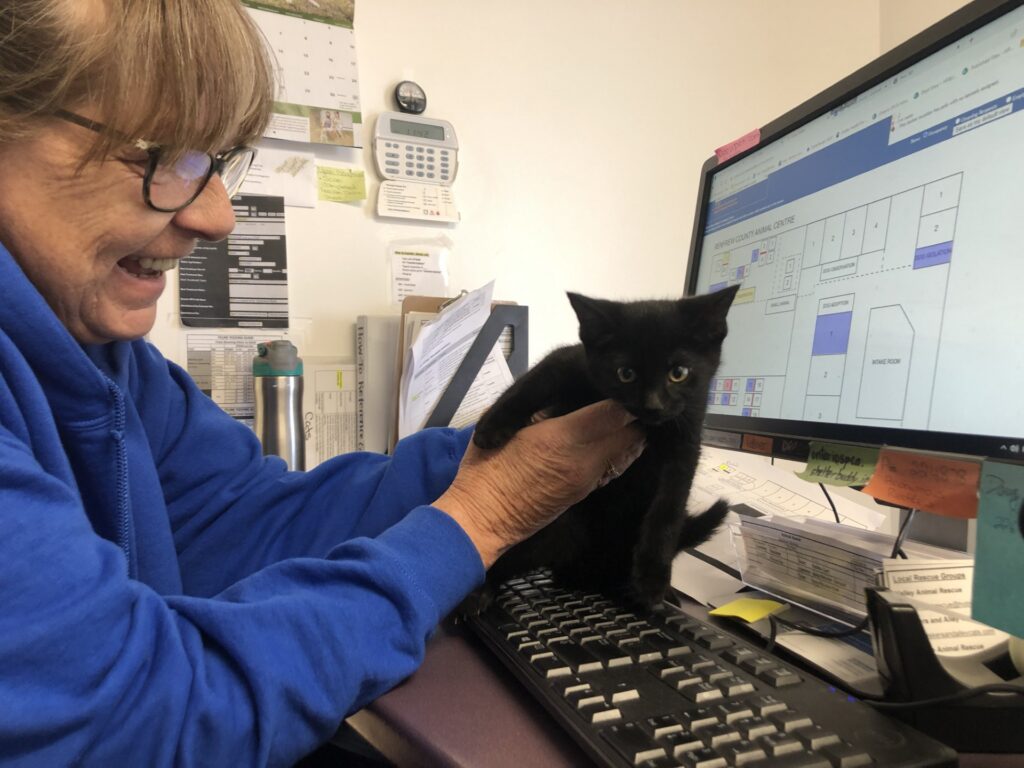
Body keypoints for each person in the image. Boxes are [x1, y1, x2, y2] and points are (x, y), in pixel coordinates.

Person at [0, 1, 645, 766]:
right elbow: (140, 721)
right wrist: (484, 517)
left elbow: (250, 525)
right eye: (161, 155)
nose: (218, 217)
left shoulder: (104, 360)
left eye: (215, 160)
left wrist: (498, 446)